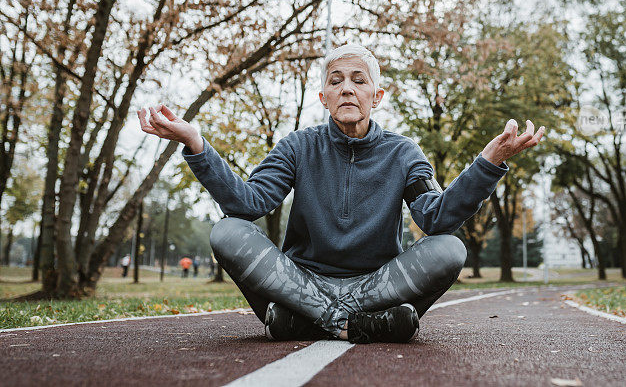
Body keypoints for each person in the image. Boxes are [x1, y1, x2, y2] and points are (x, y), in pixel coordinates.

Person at [137, 44, 545, 344]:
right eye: (336, 82)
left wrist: (488, 163)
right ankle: (358, 325)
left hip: (377, 287)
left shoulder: (405, 153)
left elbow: (435, 218)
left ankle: (305, 323)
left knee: (450, 249)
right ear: (324, 98)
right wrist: (196, 144)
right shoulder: (298, 146)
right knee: (226, 232)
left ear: (376, 96)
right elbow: (248, 204)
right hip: (299, 284)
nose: (347, 89)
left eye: (358, 81)